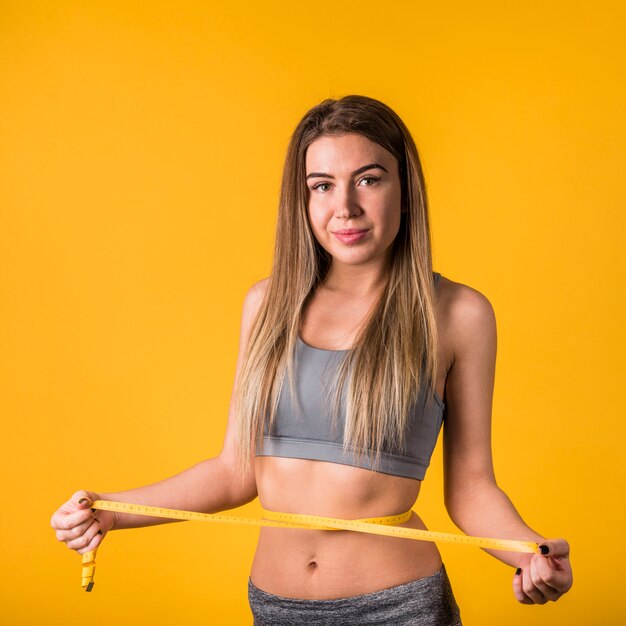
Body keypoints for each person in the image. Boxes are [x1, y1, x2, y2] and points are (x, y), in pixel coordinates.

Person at [51, 95, 573, 625]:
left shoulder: (459, 314)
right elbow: (236, 471)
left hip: (398, 608)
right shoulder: (266, 304)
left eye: (368, 179)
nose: (344, 207)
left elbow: (471, 488)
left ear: (406, 189)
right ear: (301, 199)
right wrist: (115, 511)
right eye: (322, 185)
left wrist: (533, 555)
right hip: (275, 607)